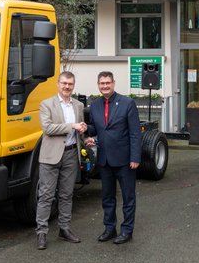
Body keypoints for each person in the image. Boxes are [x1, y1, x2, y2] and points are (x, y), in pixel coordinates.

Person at [87, 71, 142, 244]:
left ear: (113, 83)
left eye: (107, 83)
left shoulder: (127, 103)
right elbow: (96, 129)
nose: (105, 86)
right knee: (107, 197)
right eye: (102, 83)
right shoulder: (94, 105)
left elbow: (135, 133)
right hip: (104, 160)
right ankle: (109, 229)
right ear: (98, 85)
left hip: (125, 160)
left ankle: (127, 230)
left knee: (128, 197)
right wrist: (85, 130)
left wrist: (135, 157)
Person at [36, 71, 87, 250]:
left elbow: (79, 130)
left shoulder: (78, 106)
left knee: (66, 194)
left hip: (71, 154)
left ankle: (64, 229)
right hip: (50, 156)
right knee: (46, 195)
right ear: (58, 84)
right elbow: (48, 128)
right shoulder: (46, 104)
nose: (67, 87)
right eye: (64, 83)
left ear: (73, 85)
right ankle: (41, 232)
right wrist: (72, 125)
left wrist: (83, 133)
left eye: (70, 84)